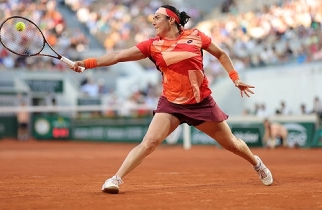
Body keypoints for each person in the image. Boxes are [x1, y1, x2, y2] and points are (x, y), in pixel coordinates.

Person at [72, 5, 273, 194]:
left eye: (157, 17)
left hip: (201, 102)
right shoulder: (152, 46)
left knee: (232, 144)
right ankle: (115, 179)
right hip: (172, 104)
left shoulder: (196, 36)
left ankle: (257, 164)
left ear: (171, 20)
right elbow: (117, 55)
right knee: (149, 143)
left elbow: (221, 54)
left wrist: (235, 78)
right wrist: (87, 63)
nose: (153, 22)